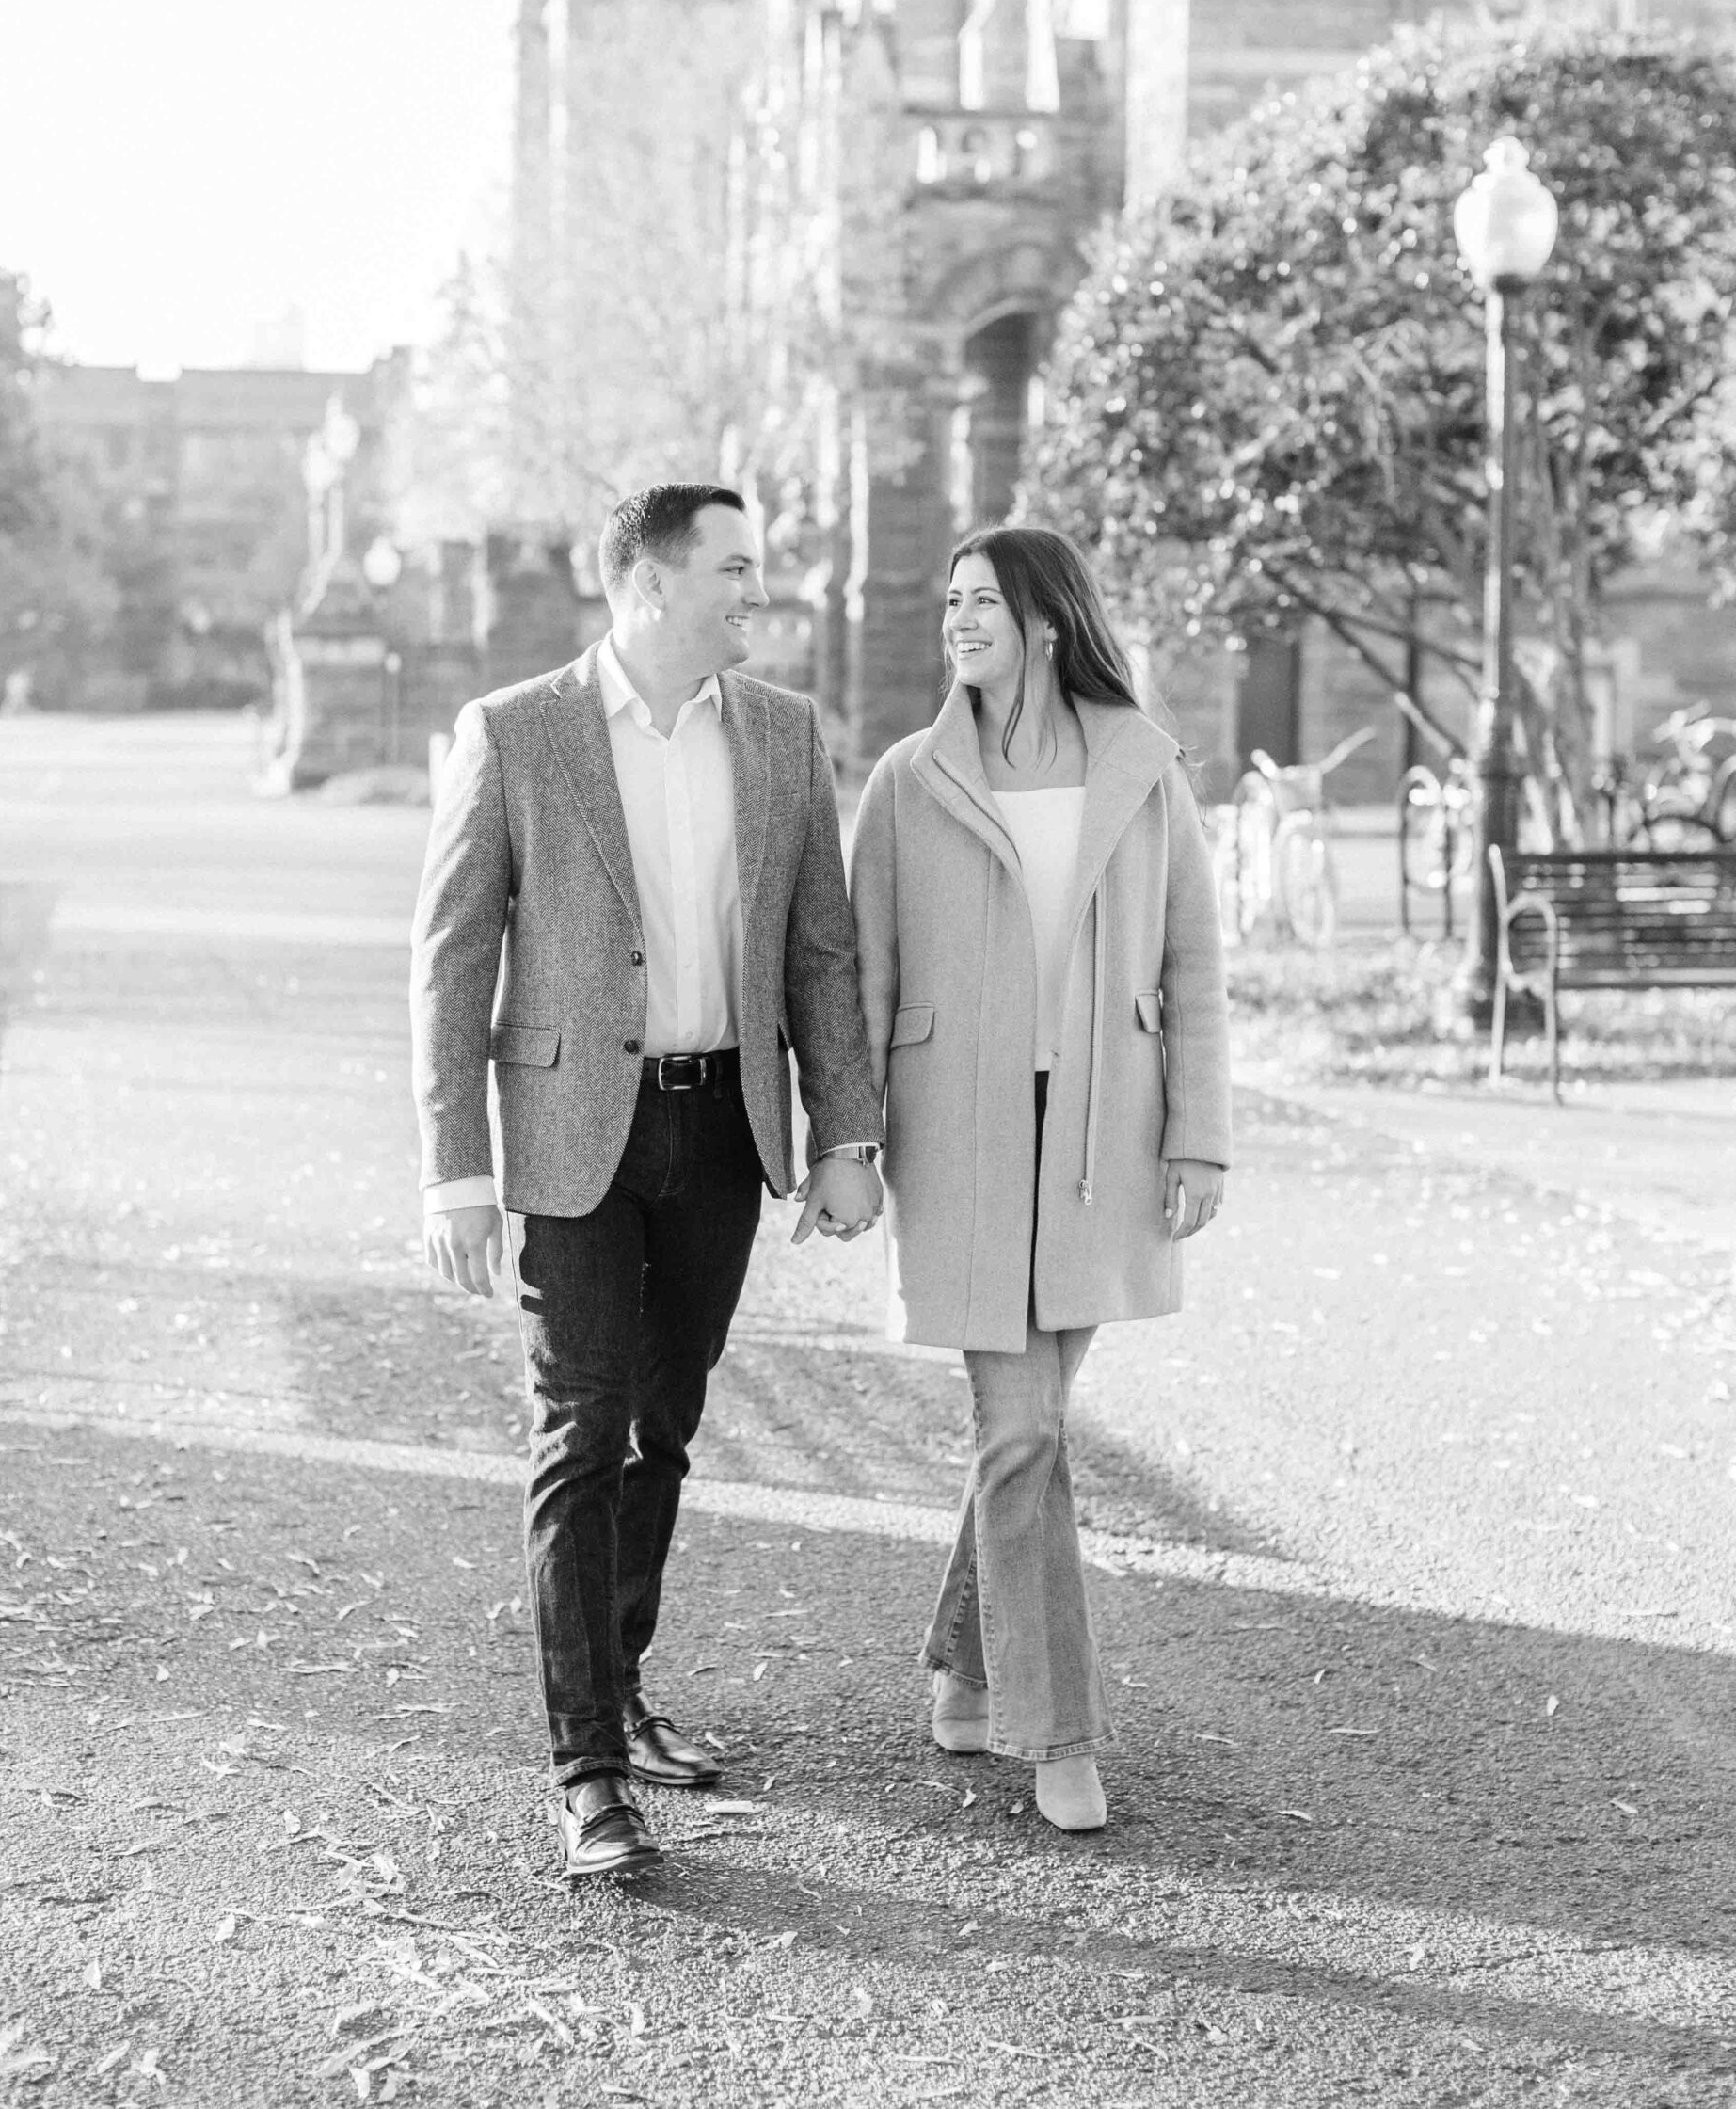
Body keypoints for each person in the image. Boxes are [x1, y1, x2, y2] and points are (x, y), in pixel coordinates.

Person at [410, 484, 883, 1880]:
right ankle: (589, 1773)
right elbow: (450, 959)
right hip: (574, 1138)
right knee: (581, 1430)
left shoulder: (786, 735)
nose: (760, 587)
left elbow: (822, 954)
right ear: (651, 581)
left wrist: (846, 1136)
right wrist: (455, 1169)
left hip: (723, 1127)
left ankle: (617, 1685)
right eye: (736, 566)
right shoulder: (517, 731)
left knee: (663, 1429)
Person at [848, 525, 1231, 1832]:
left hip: (1100, 1139)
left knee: (1033, 1430)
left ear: (1047, 621)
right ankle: (1056, 1734)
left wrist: (1199, 1136)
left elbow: (1193, 973)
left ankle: (963, 1661)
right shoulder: (907, 781)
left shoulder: (1141, 770)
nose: (958, 620)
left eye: (983, 603)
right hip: (957, 1133)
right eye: (948, 600)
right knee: (1023, 1433)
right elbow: (863, 983)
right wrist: (846, 1142)